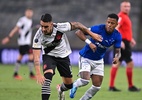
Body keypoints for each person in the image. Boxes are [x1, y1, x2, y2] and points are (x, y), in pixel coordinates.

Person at [32, 13, 102, 100]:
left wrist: (92, 35)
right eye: (42, 26)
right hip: (49, 56)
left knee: (69, 85)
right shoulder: (38, 37)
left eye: (46, 27)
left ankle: (60, 89)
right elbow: (36, 57)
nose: (43, 29)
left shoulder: (60, 27)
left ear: (51, 24)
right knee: (47, 80)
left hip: (63, 56)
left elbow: (77, 25)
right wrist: (38, 74)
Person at [70, 13, 122, 100]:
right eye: (108, 22)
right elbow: (78, 32)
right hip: (86, 57)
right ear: (106, 21)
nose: (109, 25)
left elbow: (117, 50)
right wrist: (89, 43)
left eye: (112, 23)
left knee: (96, 87)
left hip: (98, 61)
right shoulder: (98, 29)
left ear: (116, 24)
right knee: (85, 80)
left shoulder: (117, 36)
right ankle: (74, 84)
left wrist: (117, 57)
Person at [108, 1, 141, 92]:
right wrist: (120, 40)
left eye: (128, 6)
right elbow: (116, 28)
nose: (127, 8)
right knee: (130, 63)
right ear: (121, 7)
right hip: (123, 43)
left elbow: (125, 30)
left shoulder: (125, 16)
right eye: (125, 6)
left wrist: (131, 39)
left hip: (125, 41)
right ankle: (130, 86)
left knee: (117, 63)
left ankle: (111, 86)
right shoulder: (121, 16)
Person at [1, 8, 36, 80]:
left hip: (25, 42)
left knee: (21, 56)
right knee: (30, 56)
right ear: (25, 13)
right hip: (23, 42)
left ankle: (16, 73)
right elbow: (16, 28)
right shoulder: (23, 20)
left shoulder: (30, 21)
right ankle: (30, 74)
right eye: (28, 12)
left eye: (30, 12)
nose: (29, 14)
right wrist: (9, 37)